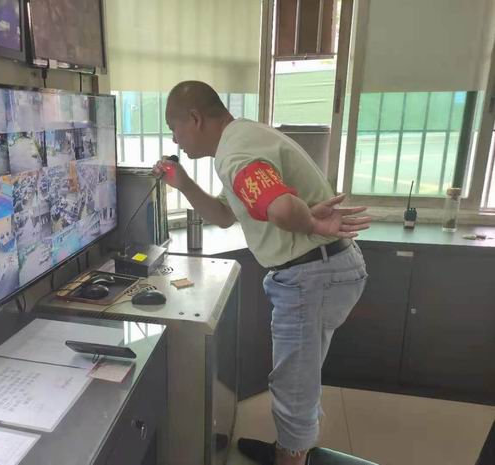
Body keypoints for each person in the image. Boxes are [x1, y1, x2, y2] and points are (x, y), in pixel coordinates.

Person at [153, 81, 370, 465]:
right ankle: (290, 447)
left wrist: (311, 223)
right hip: (323, 268)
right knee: (301, 375)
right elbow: (224, 215)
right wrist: (182, 183)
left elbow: (282, 208)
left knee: (293, 385)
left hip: (310, 275)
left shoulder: (235, 154)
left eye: (175, 129)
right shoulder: (244, 137)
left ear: (195, 118)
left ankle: (290, 457)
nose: (175, 139)